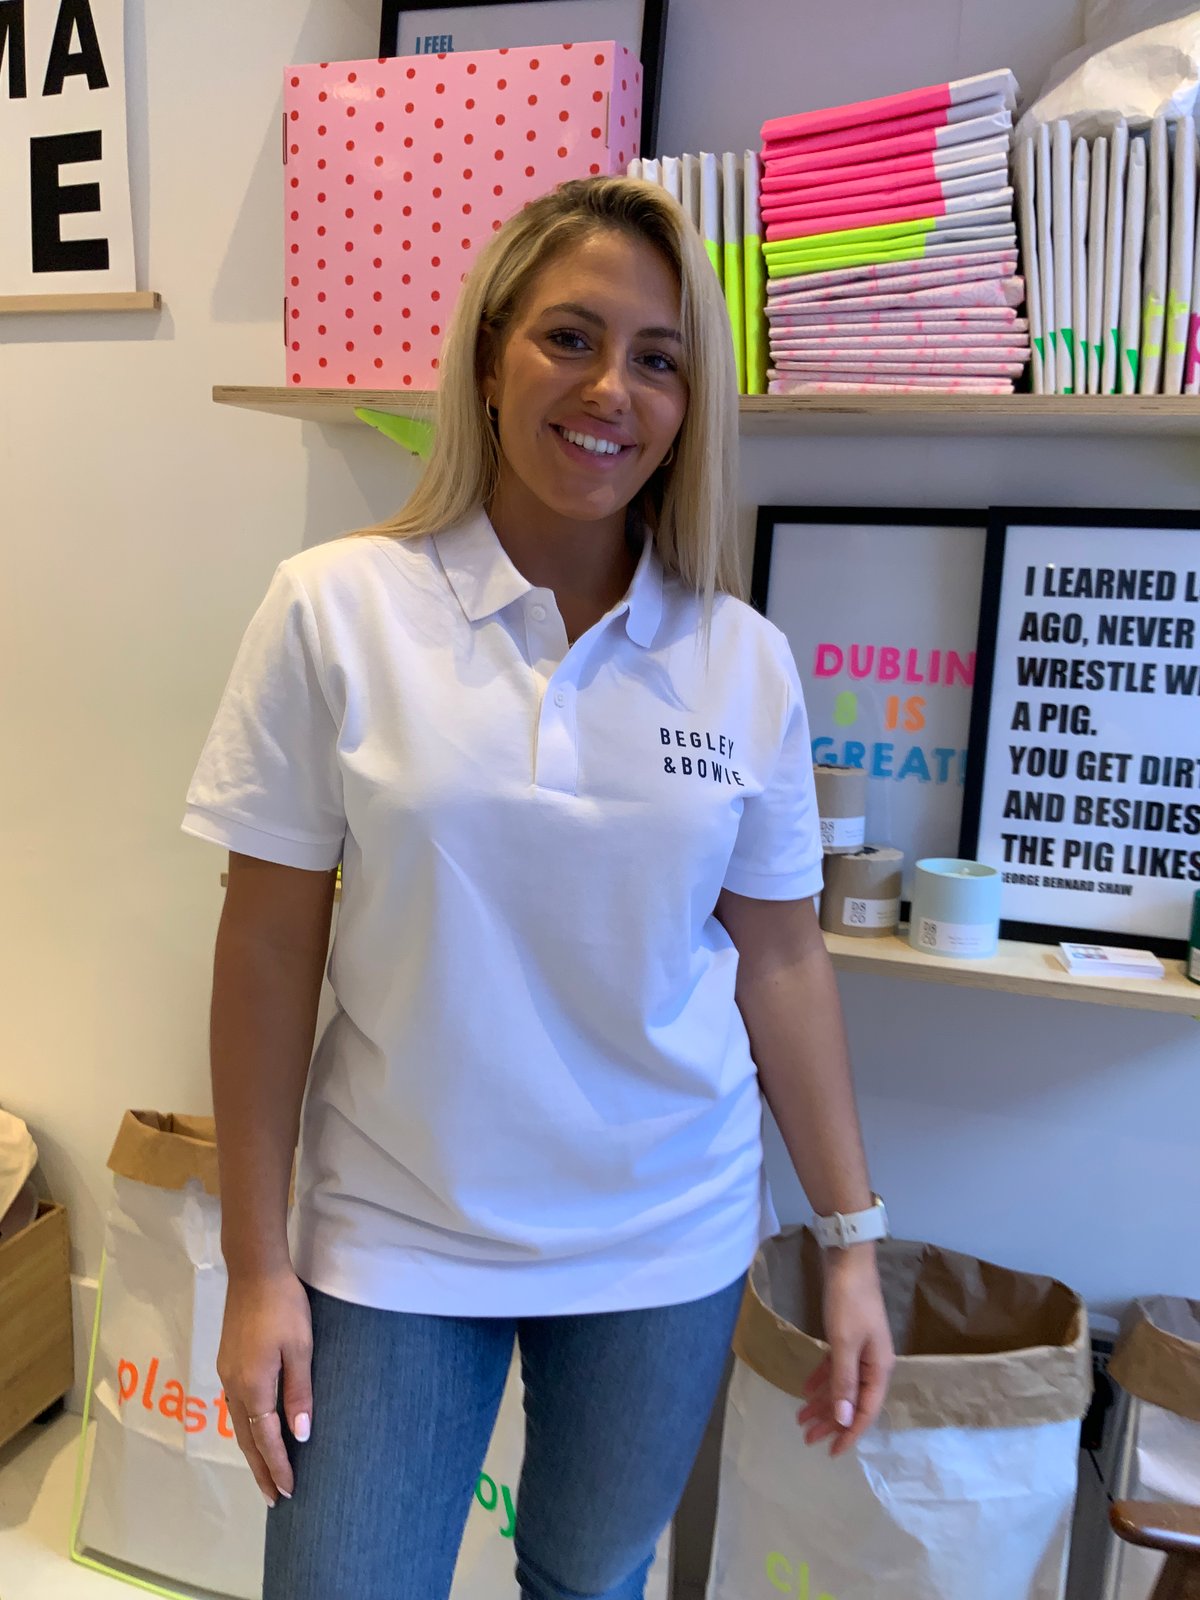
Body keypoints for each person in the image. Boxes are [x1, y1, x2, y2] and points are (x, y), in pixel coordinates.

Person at [183, 175, 895, 1600]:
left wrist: (853, 1246)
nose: (609, 390)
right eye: (570, 337)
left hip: (662, 1233)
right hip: (397, 1231)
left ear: (692, 403)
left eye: (658, 357)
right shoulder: (337, 609)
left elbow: (782, 965)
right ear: (493, 349)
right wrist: (256, 1266)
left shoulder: (738, 657)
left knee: (588, 1577)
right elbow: (265, 954)